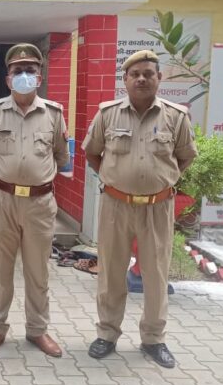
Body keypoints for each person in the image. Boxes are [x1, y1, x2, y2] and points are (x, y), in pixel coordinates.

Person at [82, 50, 197, 368]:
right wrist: (113, 178)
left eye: (148, 73)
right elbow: (92, 153)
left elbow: (186, 156)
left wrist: (164, 180)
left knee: (156, 275)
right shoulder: (108, 114)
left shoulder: (176, 116)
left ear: (159, 78)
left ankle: (154, 339)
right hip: (115, 205)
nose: (142, 79)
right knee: (111, 272)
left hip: (158, 208)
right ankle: (107, 334)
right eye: (135, 74)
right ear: (125, 80)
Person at [0, 43, 70, 358]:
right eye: (18, 71)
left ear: (39, 78)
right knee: (0, 270)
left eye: (30, 70)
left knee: (38, 270)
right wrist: (6, 178)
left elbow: (61, 156)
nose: (24, 75)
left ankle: (37, 330)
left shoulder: (54, 114)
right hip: (2, 199)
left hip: (40, 203)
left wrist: (33, 177)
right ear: (8, 78)